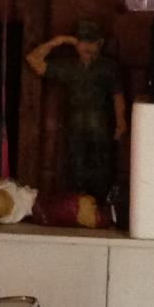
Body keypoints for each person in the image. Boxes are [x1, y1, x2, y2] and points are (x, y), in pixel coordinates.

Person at [26, 21, 127, 200]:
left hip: (101, 127)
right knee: (76, 167)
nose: (87, 47)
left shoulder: (109, 67)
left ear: (100, 43)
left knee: (103, 167)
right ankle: (78, 204)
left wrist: (121, 121)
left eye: (91, 42)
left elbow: (117, 96)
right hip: (75, 127)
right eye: (82, 41)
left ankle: (101, 205)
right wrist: (58, 41)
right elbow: (33, 60)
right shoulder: (68, 66)